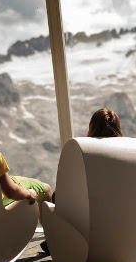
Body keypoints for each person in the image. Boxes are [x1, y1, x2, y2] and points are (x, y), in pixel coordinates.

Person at [40, 107, 124, 254]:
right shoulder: (128, 152)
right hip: (117, 215)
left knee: (56, 196)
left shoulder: (83, 150)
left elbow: (67, 187)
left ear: (92, 127)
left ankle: (58, 240)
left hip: (86, 214)